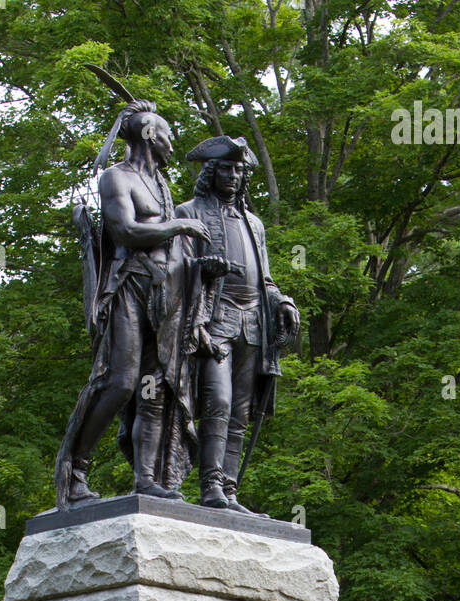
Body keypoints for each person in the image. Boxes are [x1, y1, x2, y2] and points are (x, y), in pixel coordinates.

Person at [55, 101, 227, 508]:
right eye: (168, 134)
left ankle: (146, 479)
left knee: (158, 388)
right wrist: (181, 225)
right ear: (150, 135)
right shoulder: (116, 178)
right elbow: (127, 230)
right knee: (122, 382)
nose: (173, 143)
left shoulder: (164, 188)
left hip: (167, 298)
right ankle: (75, 473)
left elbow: (174, 252)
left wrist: (203, 268)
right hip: (128, 288)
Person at [175, 136, 299, 512]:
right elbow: (171, 270)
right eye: (226, 169)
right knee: (218, 402)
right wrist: (201, 268)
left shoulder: (254, 224)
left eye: (239, 170)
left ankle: (229, 489)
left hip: (253, 324)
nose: (233, 176)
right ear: (211, 172)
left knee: (241, 413)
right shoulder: (189, 212)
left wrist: (284, 301)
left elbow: (266, 279)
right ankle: (209, 484)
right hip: (213, 322)